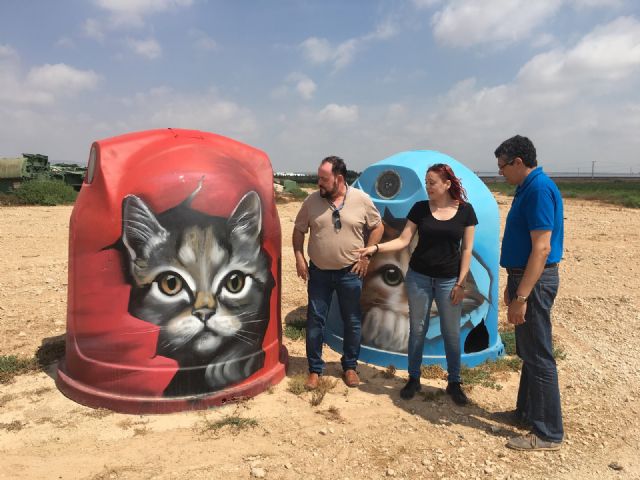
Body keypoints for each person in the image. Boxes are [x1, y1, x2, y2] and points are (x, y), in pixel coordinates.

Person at [355, 163, 477, 405]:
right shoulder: (420, 209)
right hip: (418, 278)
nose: (428, 187)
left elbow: (467, 250)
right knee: (417, 330)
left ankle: (454, 382)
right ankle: (414, 378)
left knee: (451, 333)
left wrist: (461, 282)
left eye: (432, 182)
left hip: (448, 281)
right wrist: (375, 248)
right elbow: (403, 240)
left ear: (447, 184)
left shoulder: (465, 211)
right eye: (426, 182)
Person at [495, 135, 564, 451]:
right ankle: (526, 413)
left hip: (533, 282)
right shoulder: (529, 188)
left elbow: (542, 247)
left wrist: (522, 296)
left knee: (539, 356)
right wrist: (514, 286)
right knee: (529, 353)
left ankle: (547, 432)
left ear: (518, 162)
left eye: (503, 166)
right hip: (523, 278)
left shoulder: (537, 189)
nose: (501, 173)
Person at [293, 156, 383, 390]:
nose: (318, 183)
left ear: (339, 178)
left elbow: (377, 226)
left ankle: (350, 367)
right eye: (318, 178)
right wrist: (299, 257)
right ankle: (314, 370)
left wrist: (367, 255)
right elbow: (299, 230)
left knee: (352, 321)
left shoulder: (361, 200)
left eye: (323, 179)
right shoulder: (312, 201)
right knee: (315, 322)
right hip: (319, 274)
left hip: (350, 274)